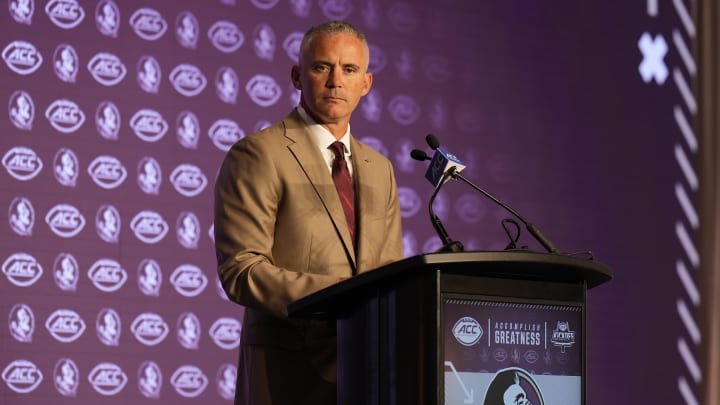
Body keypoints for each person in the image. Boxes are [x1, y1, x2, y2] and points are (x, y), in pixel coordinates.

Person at [214, 20, 404, 405]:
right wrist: (341, 296)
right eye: (322, 67)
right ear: (298, 76)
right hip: (288, 377)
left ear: (365, 84)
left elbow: (388, 275)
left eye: (349, 70)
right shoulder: (259, 154)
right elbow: (242, 270)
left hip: (369, 378)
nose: (336, 80)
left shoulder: (379, 168)